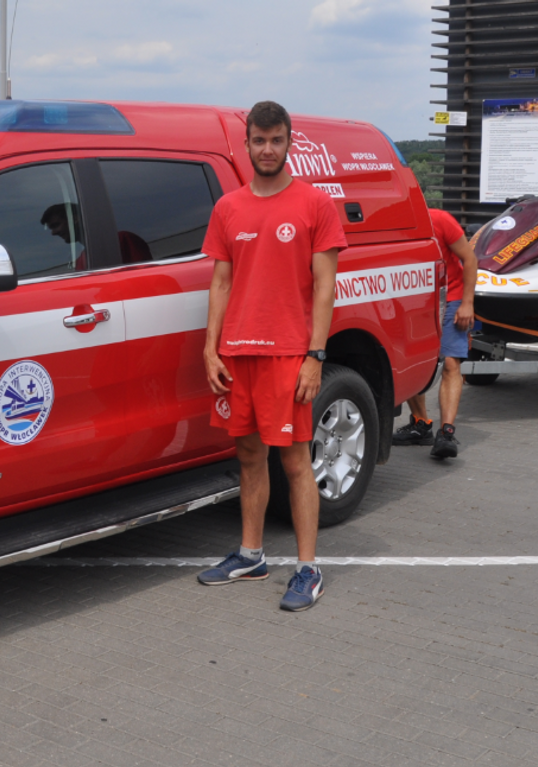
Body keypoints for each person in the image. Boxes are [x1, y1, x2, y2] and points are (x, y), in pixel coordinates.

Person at [197, 101, 347, 612]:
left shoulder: (314, 205)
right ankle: (251, 555)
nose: (267, 149)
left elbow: (325, 287)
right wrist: (211, 347)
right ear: (246, 144)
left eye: (276, 140)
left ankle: (307, 569)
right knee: (248, 456)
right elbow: (220, 282)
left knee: (296, 461)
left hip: (289, 354)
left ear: (289, 142)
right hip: (238, 353)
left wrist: (315, 355)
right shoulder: (228, 208)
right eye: (259, 140)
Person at [392, 207, 478, 459]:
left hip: (451, 297)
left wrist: (467, 303)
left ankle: (446, 433)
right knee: (409, 362)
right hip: (416, 302)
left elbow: (470, 259)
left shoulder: (439, 220)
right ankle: (421, 425)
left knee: (450, 363)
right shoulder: (391, 223)